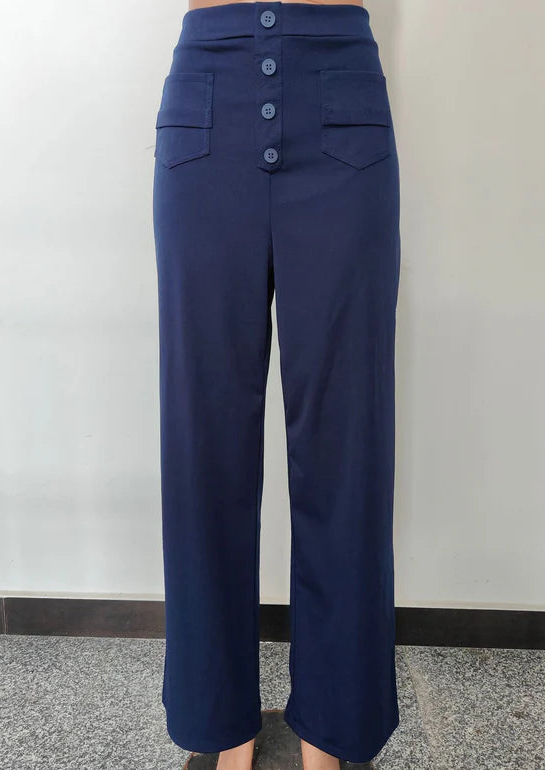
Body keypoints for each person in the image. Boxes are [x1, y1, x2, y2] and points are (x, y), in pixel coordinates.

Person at [152, 1, 401, 768]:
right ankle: (223, 725)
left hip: (341, 103)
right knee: (204, 443)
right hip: (207, 103)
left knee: (346, 443)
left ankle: (333, 728)